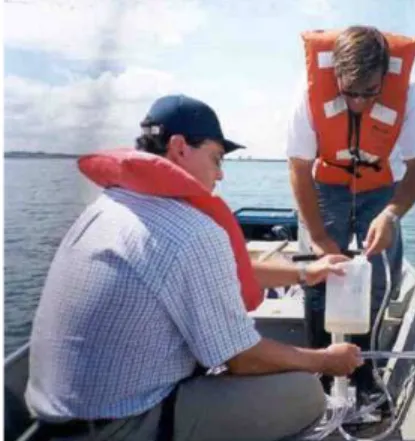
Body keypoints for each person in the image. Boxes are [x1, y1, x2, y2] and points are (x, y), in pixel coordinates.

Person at [25, 94, 363, 441]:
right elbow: (243, 359)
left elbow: (226, 269)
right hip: (123, 427)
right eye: (216, 158)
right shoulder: (192, 231)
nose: (221, 174)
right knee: (304, 393)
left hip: (53, 421)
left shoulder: (109, 207)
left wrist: (305, 273)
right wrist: (325, 360)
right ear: (179, 147)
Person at [286, 26, 415, 404]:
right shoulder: (307, 95)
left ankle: (366, 370)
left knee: (381, 280)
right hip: (326, 187)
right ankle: (321, 370)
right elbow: (299, 168)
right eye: (350, 92)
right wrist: (319, 238)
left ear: (386, 76)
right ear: (335, 75)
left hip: (381, 188)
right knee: (319, 276)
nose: (360, 103)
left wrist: (392, 215)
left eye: (371, 92)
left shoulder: (410, 95)